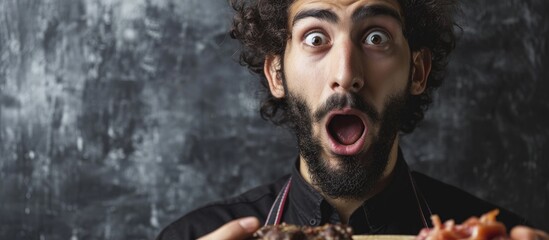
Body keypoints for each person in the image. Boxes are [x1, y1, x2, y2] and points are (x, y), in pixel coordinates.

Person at [156, 0, 549, 239]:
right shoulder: (192, 236)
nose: (346, 73)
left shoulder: (493, 235)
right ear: (277, 74)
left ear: (417, 72)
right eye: (315, 38)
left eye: (376, 37)